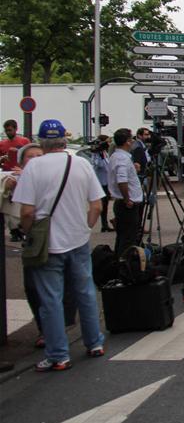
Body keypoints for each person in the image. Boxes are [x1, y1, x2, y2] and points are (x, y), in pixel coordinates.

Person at [12, 119, 106, 372]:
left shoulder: (34, 168)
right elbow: (96, 205)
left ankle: (58, 355)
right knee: (85, 292)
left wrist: (29, 232)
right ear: (64, 140)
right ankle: (94, 342)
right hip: (78, 238)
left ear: (42, 141)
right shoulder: (81, 164)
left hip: (48, 244)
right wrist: (86, 227)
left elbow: (27, 211)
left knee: (50, 299)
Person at [108, 128, 144, 256]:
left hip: (122, 202)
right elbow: (121, 180)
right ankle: (125, 266)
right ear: (128, 142)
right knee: (128, 239)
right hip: (127, 204)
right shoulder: (122, 158)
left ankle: (119, 263)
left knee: (123, 237)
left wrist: (133, 169)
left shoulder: (117, 156)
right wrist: (127, 199)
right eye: (132, 139)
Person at [90, 135, 112, 232]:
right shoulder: (97, 154)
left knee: (106, 204)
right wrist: (101, 157)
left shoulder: (104, 152)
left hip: (106, 181)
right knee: (102, 205)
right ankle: (103, 224)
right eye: (107, 142)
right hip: (100, 182)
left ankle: (105, 224)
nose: (109, 144)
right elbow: (101, 165)